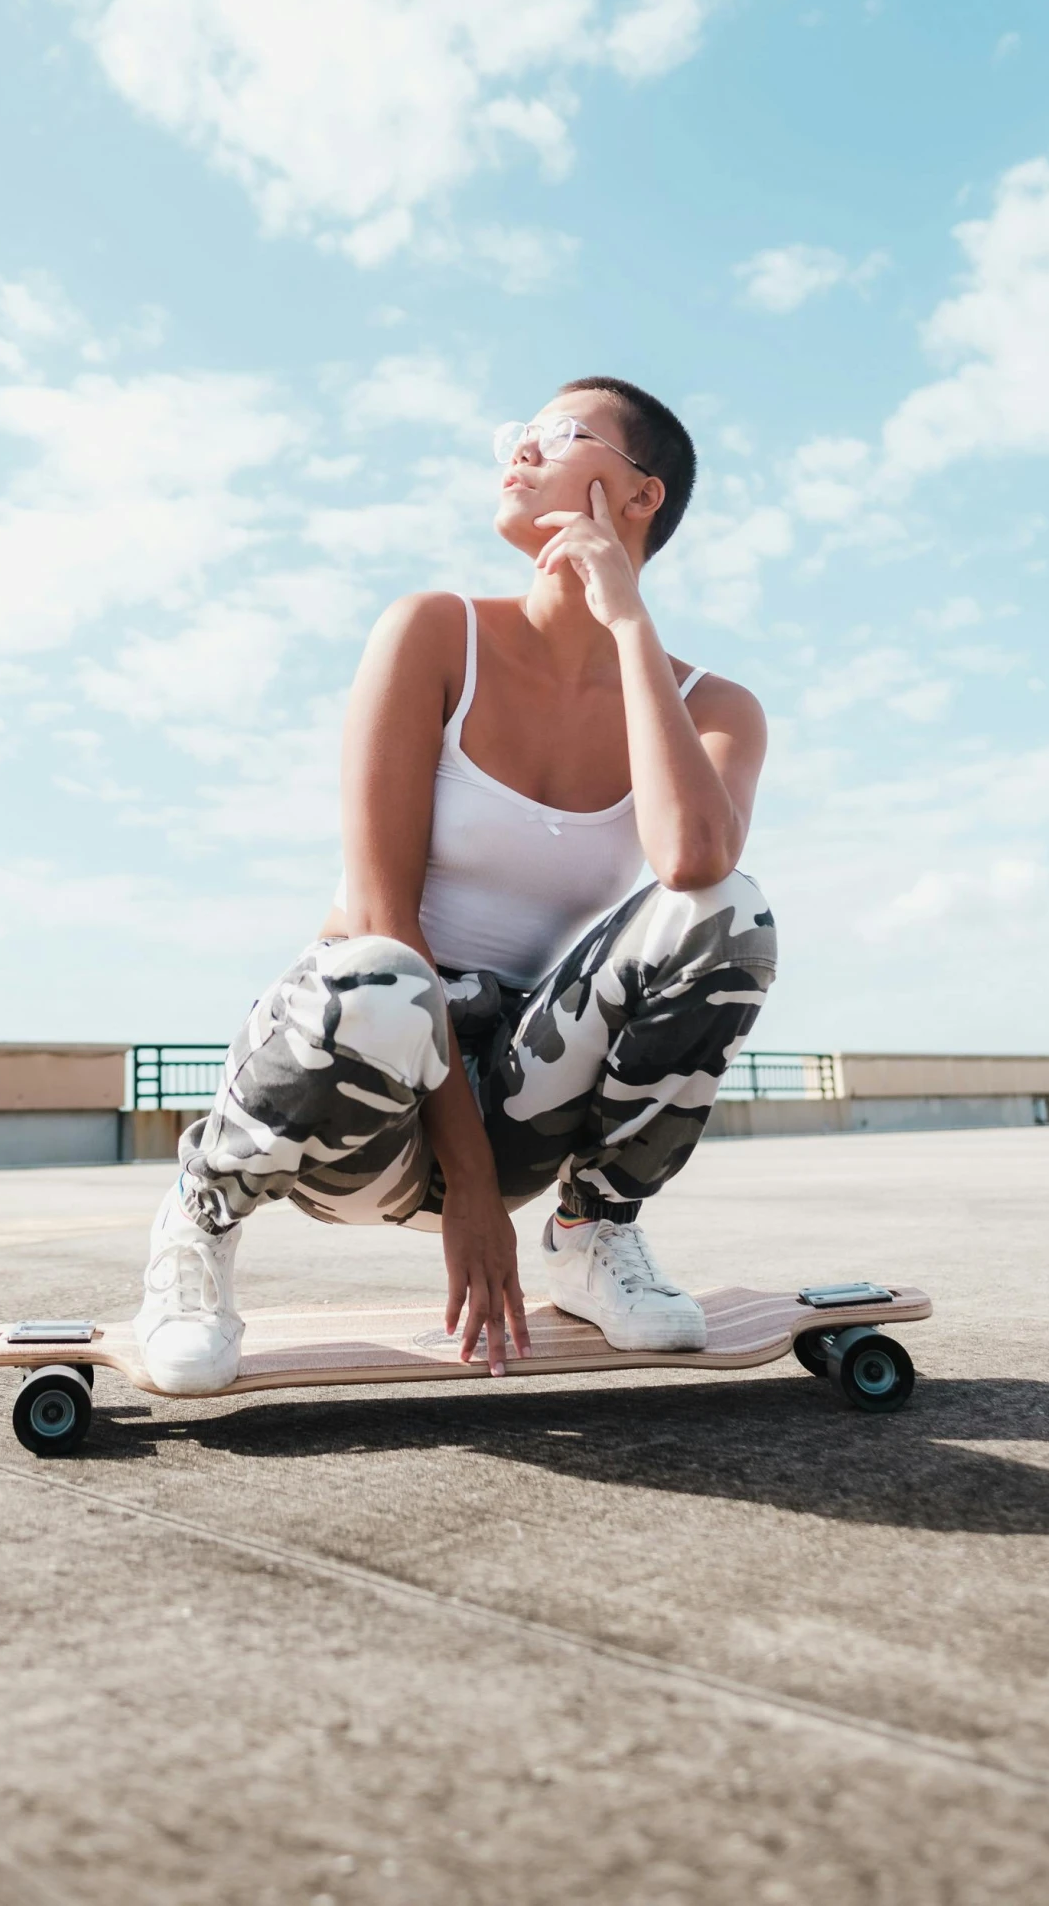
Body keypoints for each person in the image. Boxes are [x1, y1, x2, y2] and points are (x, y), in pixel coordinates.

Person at [134, 376, 777, 1393]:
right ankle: (200, 1218)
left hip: (528, 1091)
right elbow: (382, 914)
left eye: (555, 436)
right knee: (377, 970)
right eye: (512, 435)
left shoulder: (717, 706)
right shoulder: (433, 633)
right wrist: (471, 1189)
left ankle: (591, 1233)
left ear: (641, 495)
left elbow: (693, 861)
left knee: (728, 913)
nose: (516, 453)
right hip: (362, 1102)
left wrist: (626, 624)